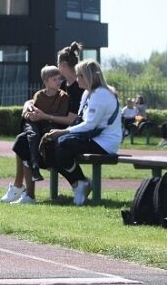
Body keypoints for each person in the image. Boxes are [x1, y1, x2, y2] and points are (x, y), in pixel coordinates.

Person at [2, 42, 85, 204]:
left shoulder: (76, 87)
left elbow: (71, 119)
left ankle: (24, 190)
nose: (57, 78)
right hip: (52, 128)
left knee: (23, 140)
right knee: (24, 137)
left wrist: (43, 116)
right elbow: (38, 98)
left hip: (66, 131)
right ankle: (24, 190)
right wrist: (29, 106)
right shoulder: (66, 84)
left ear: (62, 65)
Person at [40, 59, 121, 206]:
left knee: (63, 144)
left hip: (105, 142)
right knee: (50, 145)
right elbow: (81, 120)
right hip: (91, 137)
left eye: (79, 76)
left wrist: (63, 132)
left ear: (87, 77)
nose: (77, 79)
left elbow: (90, 125)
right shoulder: (87, 94)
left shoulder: (101, 94)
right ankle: (79, 183)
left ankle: (80, 183)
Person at [16, 65, 69, 187]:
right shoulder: (39, 95)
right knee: (32, 133)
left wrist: (42, 116)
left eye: (59, 79)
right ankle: (34, 165)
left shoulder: (63, 97)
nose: (58, 82)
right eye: (54, 79)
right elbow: (32, 109)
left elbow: (59, 116)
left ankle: (34, 164)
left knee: (38, 133)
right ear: (45, 81)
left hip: (50, 125)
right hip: (36, 124)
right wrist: (31, 115)